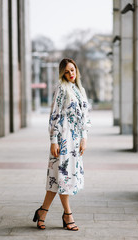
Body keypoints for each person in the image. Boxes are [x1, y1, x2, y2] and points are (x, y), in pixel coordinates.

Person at [33, 58, 90, 231]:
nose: (71, 74)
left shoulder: (80, 90)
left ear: (76, 70)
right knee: (63, 178)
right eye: (67, 71)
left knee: (56, 180)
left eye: (73, 70)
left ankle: (42, 212)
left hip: (75, 141)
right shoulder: (61, 89)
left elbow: (85, 117)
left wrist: (84, 138)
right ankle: (68, 215)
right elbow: (54, 116)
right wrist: (53, 140)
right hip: (63, 140)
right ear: (62, 73)